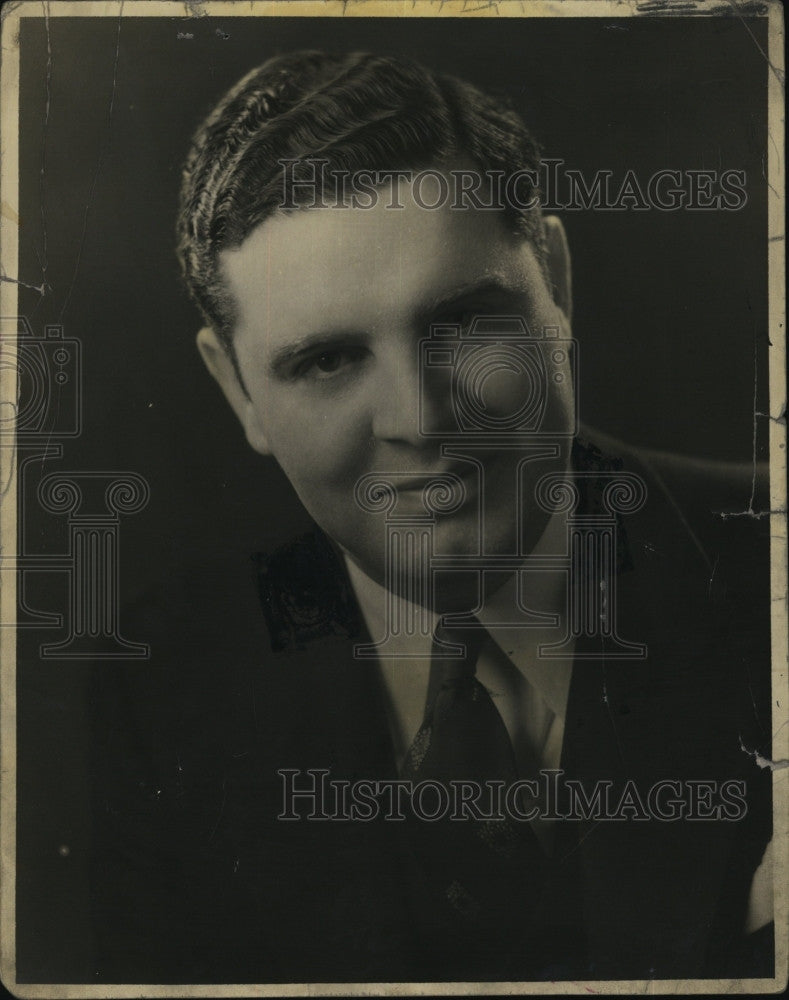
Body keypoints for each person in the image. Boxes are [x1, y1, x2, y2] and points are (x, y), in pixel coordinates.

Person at [90, 50, 773, 984]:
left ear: (558, 290)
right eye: (328, 360)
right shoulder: (142, 697)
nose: (421, 419)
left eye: (465, 323)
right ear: (235, 387)